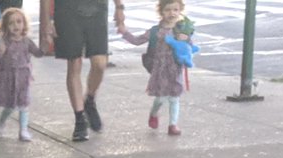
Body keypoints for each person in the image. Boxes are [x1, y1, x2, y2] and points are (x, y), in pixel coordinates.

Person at [39, 0, 127, 141]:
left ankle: (89, 99)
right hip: (67, 9)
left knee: (99, 63)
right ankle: (80, 119)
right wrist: (46, 22)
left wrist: (119, 7)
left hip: (97, 9)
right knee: (74, 62)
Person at [120, 0, 196, 135]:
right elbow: (138, 41)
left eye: (175, 10)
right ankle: (154, 114)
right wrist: (125, 33)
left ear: (180, 11)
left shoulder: (182, 29)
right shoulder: (155, 31)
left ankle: (173, 125)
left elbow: (188, 48)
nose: (171, 13)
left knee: (174, 97)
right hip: (159, 69)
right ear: (161, 12)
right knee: (161, 98)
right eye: (168, 10)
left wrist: (186, 39)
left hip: (175, 68)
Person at [0, 7, 46, 142]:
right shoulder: (4, 42)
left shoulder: (26, 41)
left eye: (18, 22)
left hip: (23, 77)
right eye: (11, 23)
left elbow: (38, 53)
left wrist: (45, 45)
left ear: (24, 24)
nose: (16, 25)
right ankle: (1, 122)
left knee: (24, 104)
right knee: (10, 106)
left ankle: (23, 131)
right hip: (9, 78)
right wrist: (0, 52)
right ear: (5, 26)